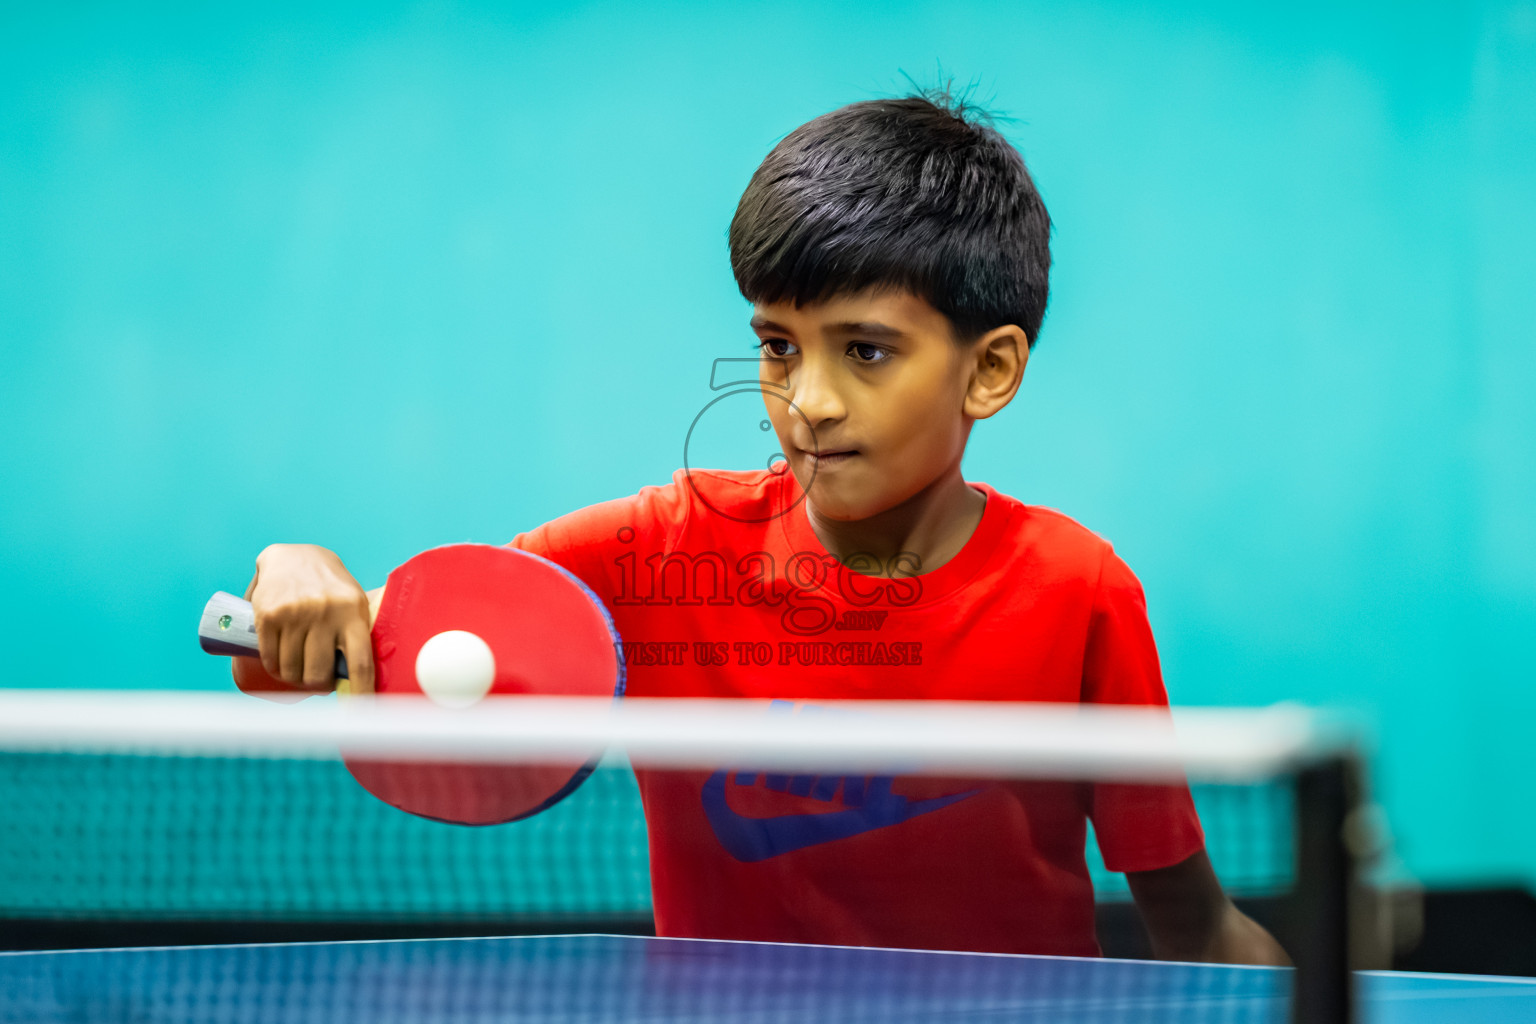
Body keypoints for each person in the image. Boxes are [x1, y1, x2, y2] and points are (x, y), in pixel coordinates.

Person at [233, 90, 1286, 963]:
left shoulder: (1078, 586)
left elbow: (1191, 923)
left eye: (864, 351)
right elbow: (362, 646)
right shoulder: (652, 552)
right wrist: (296, 572)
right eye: (779, 348)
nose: (807, 402)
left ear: (992, 369)